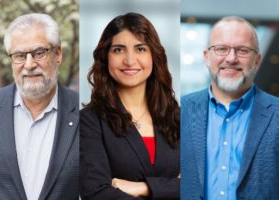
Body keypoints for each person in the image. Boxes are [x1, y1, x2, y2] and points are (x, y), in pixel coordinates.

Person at [79, 12, 180, 200]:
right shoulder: (89, 121)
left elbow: (197, 184)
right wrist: (172, 187)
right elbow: (96, 192)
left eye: (140, 49)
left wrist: (143, 188)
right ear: (105, 57)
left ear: (154, 56)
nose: (130, 60)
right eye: (118, 50)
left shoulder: (177, 117)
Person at [0, 13, 79, 199]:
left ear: (58, 54)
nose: (29, 64)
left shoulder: (87, 112)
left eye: (39, 53)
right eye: (19, 55)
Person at [181, 16, 279, 200]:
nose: (231, 58)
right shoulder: (178, 111)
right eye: (221, 49)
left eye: (242, 50)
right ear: (207, 57)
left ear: (257, 60)